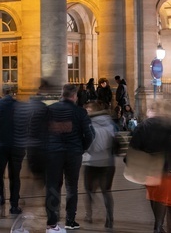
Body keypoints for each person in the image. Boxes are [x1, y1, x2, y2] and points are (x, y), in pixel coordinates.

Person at [42, 82, 95, 232]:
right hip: (73, 153)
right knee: (72, 187)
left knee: (52, 186)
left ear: (62, 94)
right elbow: (90, 135)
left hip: (53, 153)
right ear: (74, 96)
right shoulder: (80, 112)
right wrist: (82, 148)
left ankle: (52, 222)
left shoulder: (49, 110)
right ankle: (70, 220)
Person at [128, 101, 171, 233]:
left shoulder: (143, 126)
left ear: (150, 111)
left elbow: (134, 145)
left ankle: (158, 225)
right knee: (162, 196)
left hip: (147, 165)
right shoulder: (169, 126)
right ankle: (158, 226)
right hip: (164, 164)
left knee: (153, 194)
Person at [0, 85, 25, 218]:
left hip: (0, 145)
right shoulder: (20, 106)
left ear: (2, 93)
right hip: (17, 146)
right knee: (15, 176)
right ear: (14, 93)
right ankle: (14, 205)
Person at [82, 101, 119, 228]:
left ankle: (89, 215)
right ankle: (110, 218)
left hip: (91, 161)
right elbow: (115, 140)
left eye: (87, 110)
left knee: (89, 190)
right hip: (108, 162)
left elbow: (87, 143)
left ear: (92, 110)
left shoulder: (87, 124)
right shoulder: (110, 123)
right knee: (106, 191)